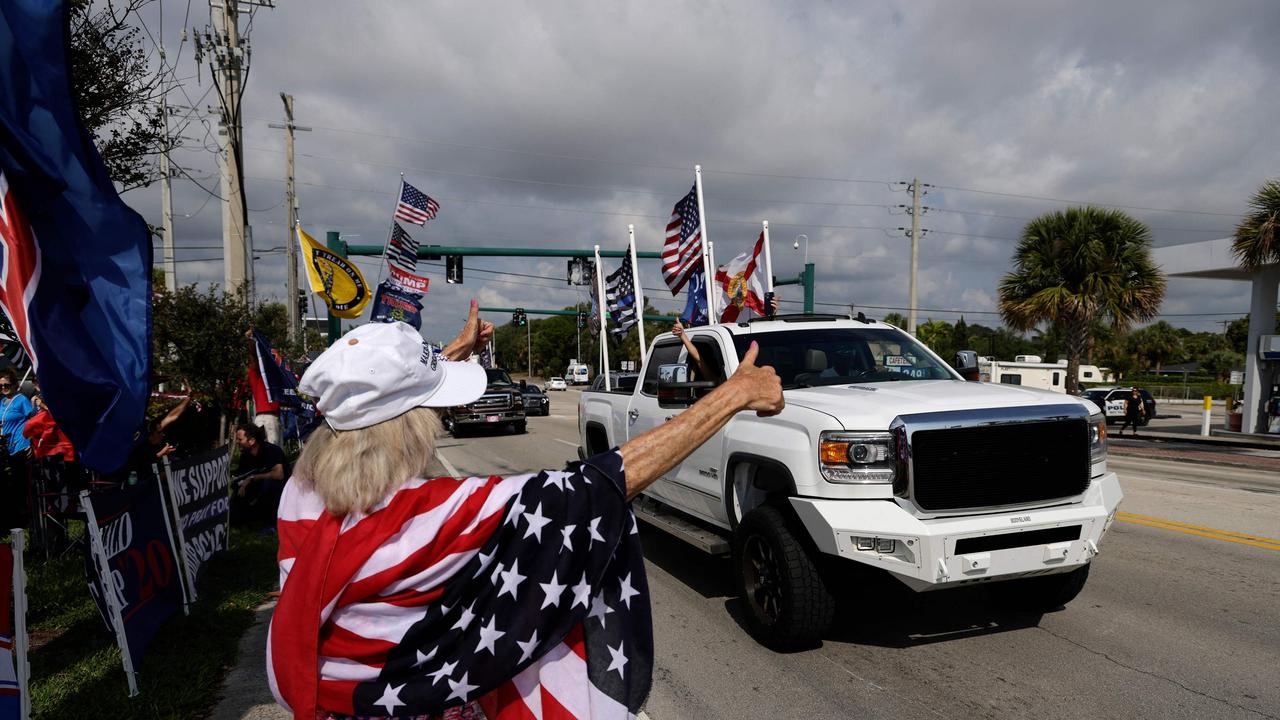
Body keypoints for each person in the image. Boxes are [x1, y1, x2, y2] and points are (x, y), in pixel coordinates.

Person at [268, 301, 783, 719]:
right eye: (432, 412)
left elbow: (374, 404)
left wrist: (448, 356)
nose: (440, 423)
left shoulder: (302, 498)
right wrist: (732, 395)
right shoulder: (435, 520)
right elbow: (604, 482)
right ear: (412, 424)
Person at [232, 422, 289, 528]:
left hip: (280, 494)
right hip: (257, 492)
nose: (237, 442)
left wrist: (252, 478)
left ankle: (271, 524)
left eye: (240, 440)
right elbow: (241, 476)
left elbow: (279, 474)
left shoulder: (271, 450)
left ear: (252, 441)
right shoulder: (245, 456)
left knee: (269, 483)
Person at [0, 368, 35, 528]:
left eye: (6, 385)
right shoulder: (2, 402)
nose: (3, 389)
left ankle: (26, 520)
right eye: (0, 386)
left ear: (15, 385)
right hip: (8, 448)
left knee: (20, 484)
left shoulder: (21, 400)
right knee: (12, 485)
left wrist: (33, 442)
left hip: (21, 446)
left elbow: (34, 421)